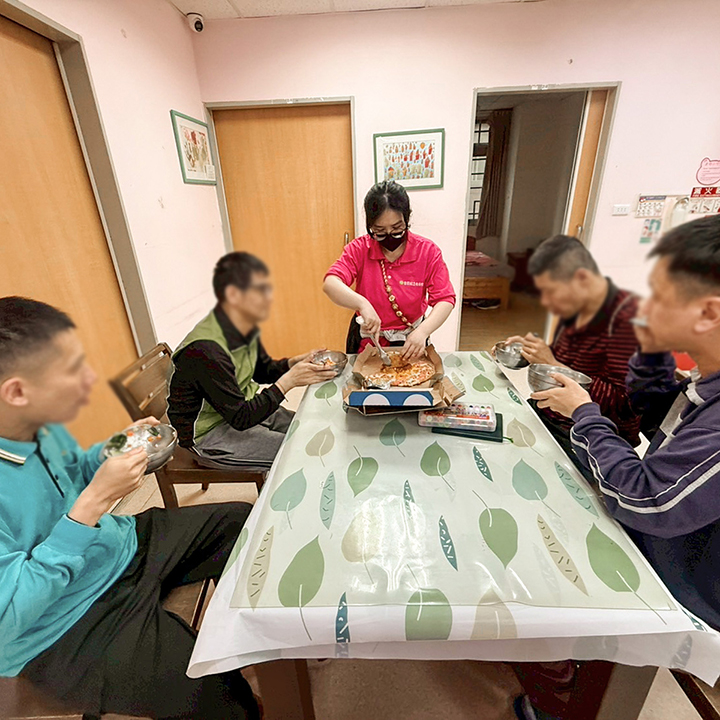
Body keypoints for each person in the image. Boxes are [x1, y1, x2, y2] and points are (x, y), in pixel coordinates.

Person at [0, 296, 258, 719]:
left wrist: (116, 448)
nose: (86, 379)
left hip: (117, 548)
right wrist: (94, 502)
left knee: (242, 523)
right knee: (219, 701)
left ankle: (258, 632)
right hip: (62, 624)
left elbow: (76, 469)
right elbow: (10, 616)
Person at [517, 215, 720, 720]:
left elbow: (646, 497)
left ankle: (565, 688)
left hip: (679, 587)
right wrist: (652, 363)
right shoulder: (703, 380)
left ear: (707, 312)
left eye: (659, 296)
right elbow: (659, 417)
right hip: (652, 524)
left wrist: (583, 410)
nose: (643, 308)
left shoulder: (620, 321)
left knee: (535, 551)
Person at [168, 252, 336, 468]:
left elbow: (263, 371)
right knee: (303, 452)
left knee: (310, 430)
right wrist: (289, 381)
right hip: (208, 433)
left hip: (237, 409)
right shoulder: (206, 351)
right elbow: (241, 418)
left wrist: (293, 362)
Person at [501, 235, 640, 464]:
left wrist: (552, 364)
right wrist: (531, 352)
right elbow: (565, 360)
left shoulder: (626, 322)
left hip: (588, 431)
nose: (547, 301)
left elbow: (624, 405)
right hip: (550, 411)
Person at [324, 181, 456, 361]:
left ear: (407, 219)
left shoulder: (427, 251)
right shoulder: (360, 249)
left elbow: (445, 299)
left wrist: (423, 332)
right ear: (370, 226)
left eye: (397, 228)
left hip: (412, 339)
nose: (389, 236)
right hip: (369, 341)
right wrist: (362, 304)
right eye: (379, 231)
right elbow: (331, 283)